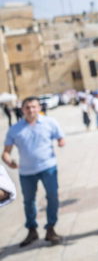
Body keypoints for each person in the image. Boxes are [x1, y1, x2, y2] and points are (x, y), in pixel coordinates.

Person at [2, 97, 65, 246]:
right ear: (22, 110)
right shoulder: (15, 129)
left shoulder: (50, 122)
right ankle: (32, 230)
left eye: (34, 107)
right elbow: (6, 152)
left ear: (39, 108)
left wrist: (61, 142)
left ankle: (51, 228)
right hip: (26, 172)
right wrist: (8, 161)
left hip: (48, 167)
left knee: (53, 197)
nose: (31, 110)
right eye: (27, 107)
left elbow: (60, 137)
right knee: (28, 202)